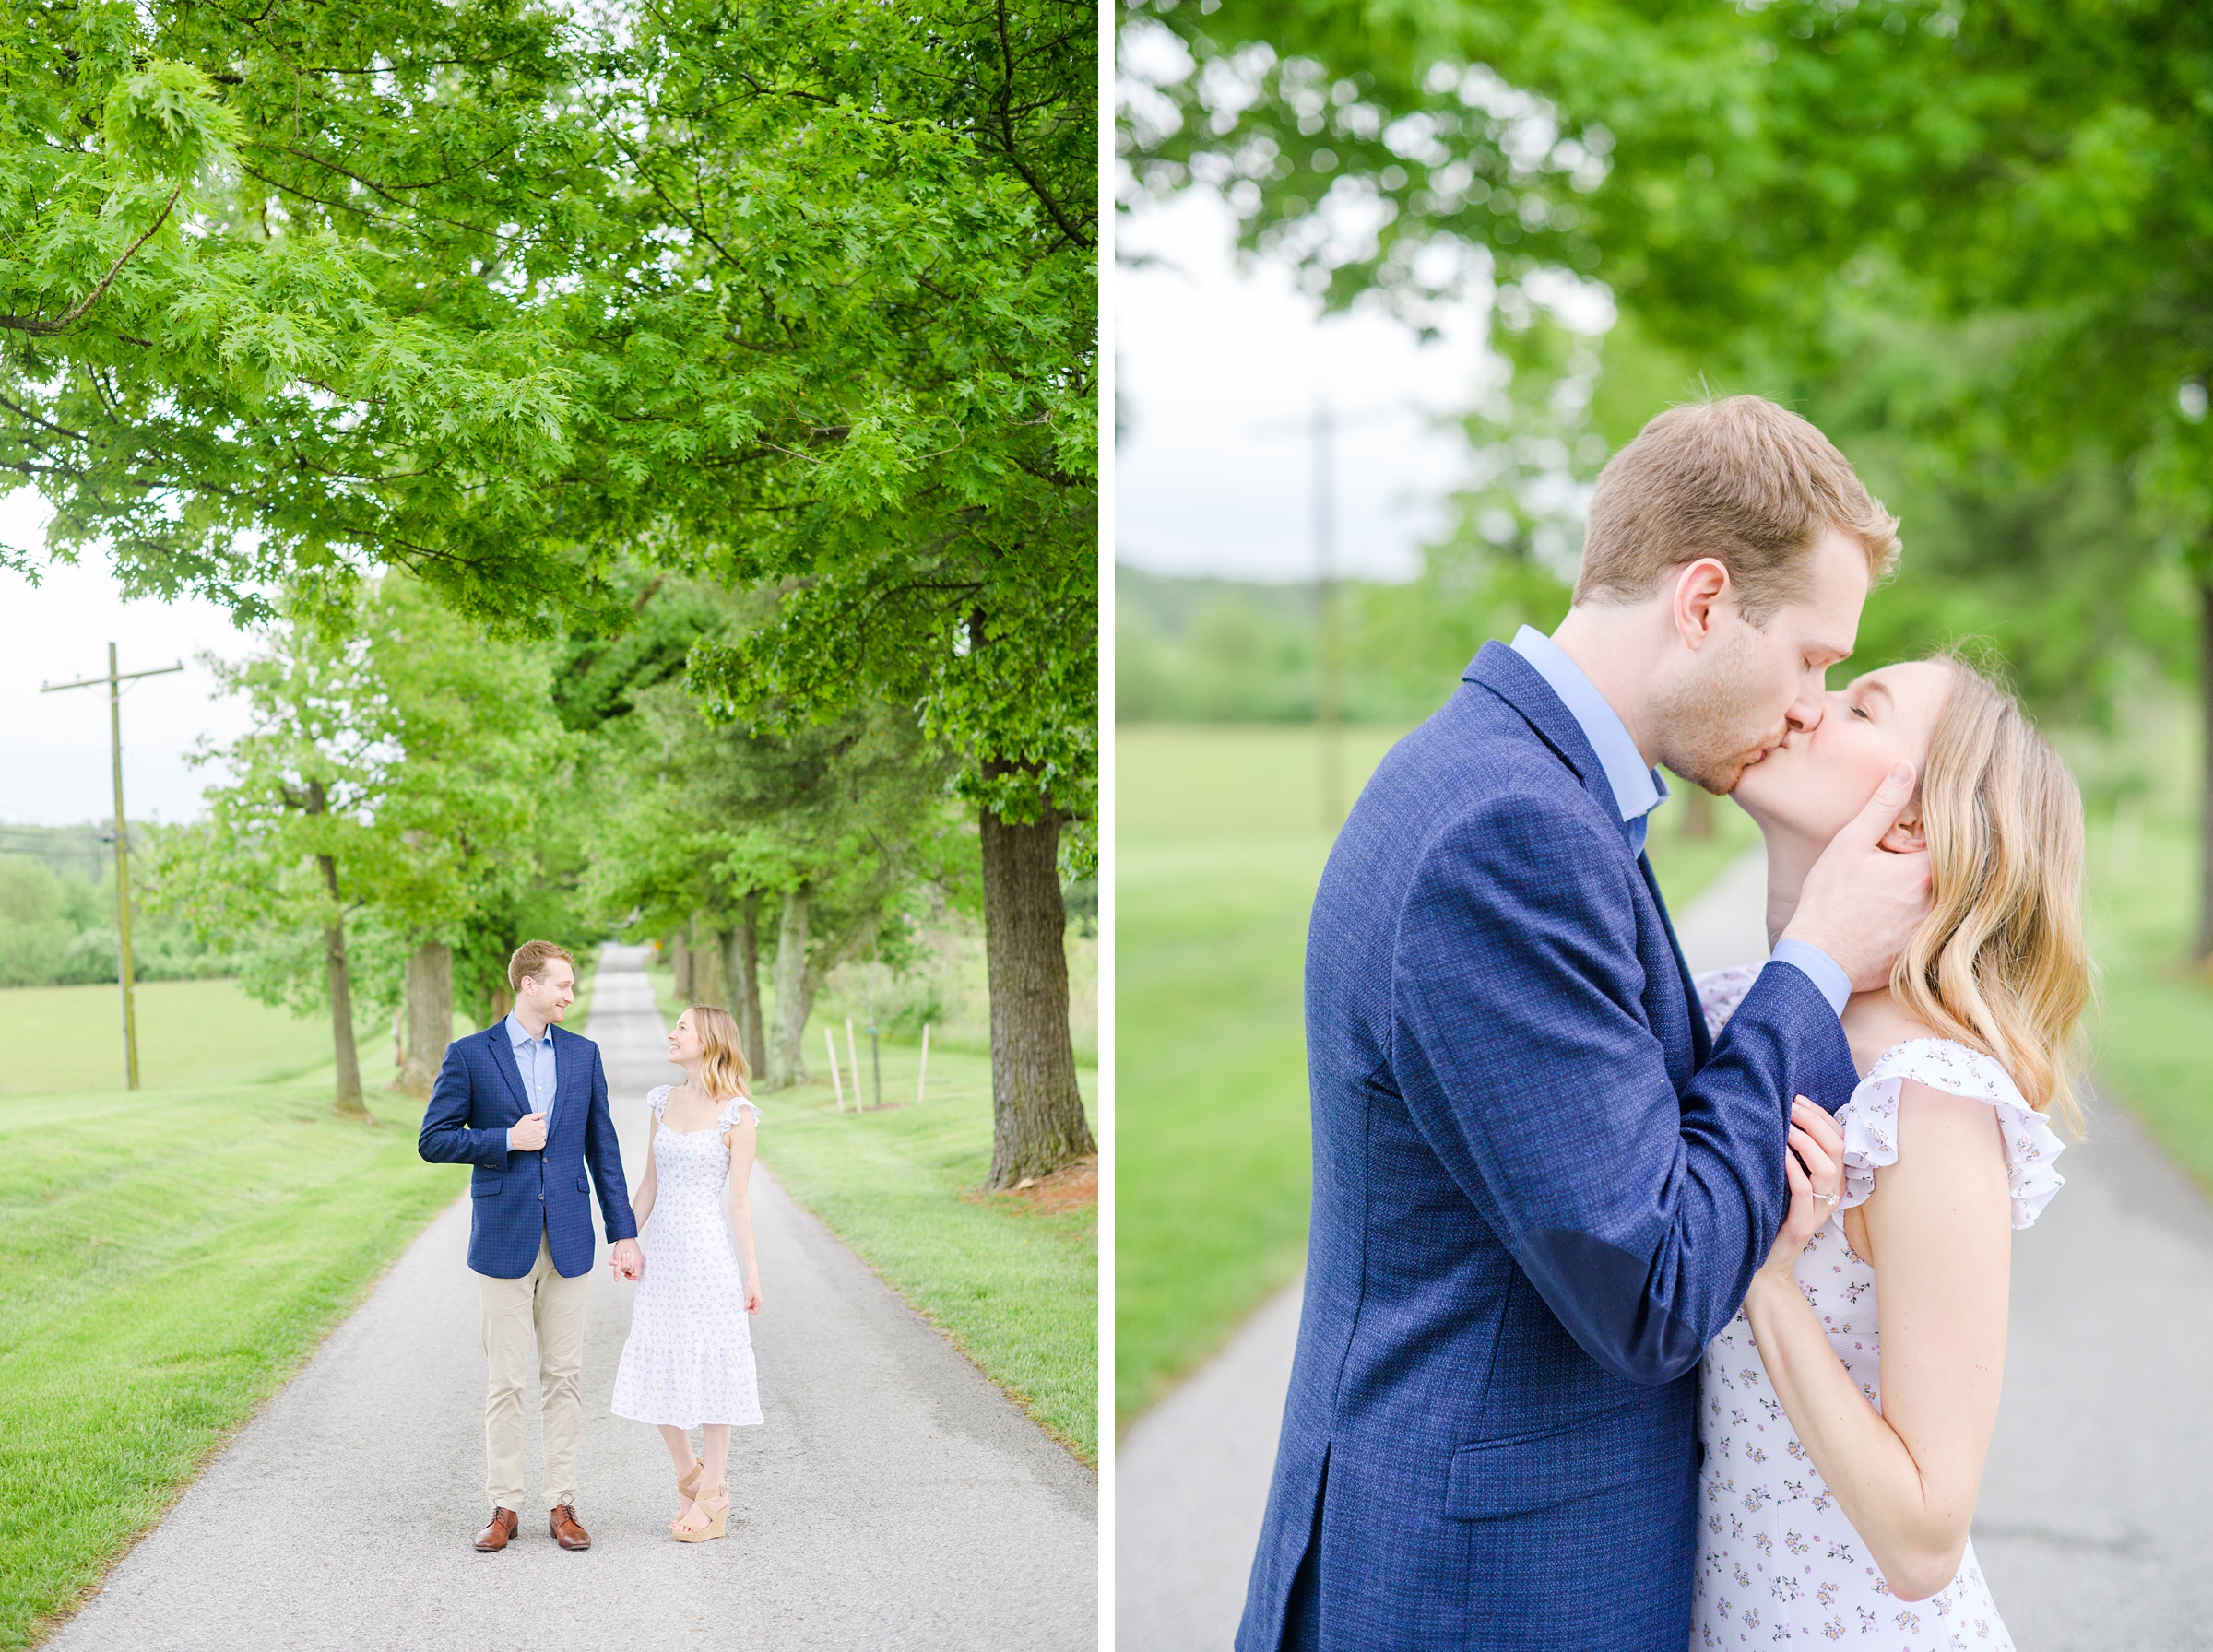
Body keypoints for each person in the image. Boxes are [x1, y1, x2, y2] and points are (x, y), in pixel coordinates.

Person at [1238, 396, 1933, 1651]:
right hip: (1484, 1593)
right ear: (1705, 602)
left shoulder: (1525, 782)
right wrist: (1818, 959)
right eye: (1815, 659)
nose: (1813, 704)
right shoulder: (1507, 832)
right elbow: (1653, 1287)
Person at [1690, 656, 2088, 1646]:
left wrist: (1768, 1283)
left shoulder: (1928, 1103)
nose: (1803, 702)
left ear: (1917, 820)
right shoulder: (1736, 1010)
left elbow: (1922, 1540)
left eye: (1861, 705)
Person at [417, 938, 641, 1553]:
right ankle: (504, 1507)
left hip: (568, 1238)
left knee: (563, 1375)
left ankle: (562, 1503)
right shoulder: (471, 1055)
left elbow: (605, 1150)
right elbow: (433, 1140)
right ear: (529, 984)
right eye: (562, 984)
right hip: (502, 1239)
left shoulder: (582, 1054)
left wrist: (623, 1230)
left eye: (571, 985)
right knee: (507, 1379)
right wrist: (503, 1139)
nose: (571, 994)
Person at [609, 1003, 765, 1542]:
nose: (670, 1034)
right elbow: (649, 1184)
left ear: (710, 1040)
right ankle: (688, 1473)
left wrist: (751, 1272)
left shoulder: (737, 1114)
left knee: (713, 1364)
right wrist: (625, 1237)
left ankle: (715, 1491)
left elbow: (740, 1202)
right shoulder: (662, 1100)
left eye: (681, 1027)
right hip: (665, 1257)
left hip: (707, 1257)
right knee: (657, 1360)